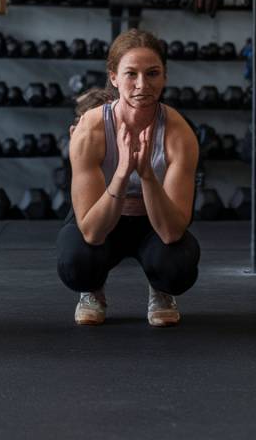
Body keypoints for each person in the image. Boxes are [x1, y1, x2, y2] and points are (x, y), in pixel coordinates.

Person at [57, 29, 201, 327]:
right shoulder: (90, 130)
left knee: (178, 267)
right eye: (130, 74)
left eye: (152, 74)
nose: (141, 85)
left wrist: (147, 173)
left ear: (165, 77)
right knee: (76, 263)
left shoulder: (179, 134)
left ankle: (161, 290)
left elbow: (173, 232)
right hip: (103, 221)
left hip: (154, 223)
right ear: (113, 77)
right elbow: (93, 232)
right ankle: (92, 291)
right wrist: (122, 172)